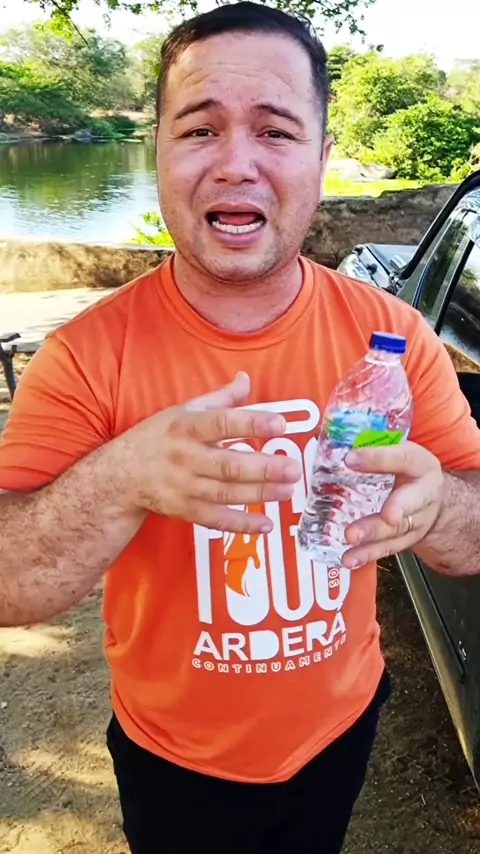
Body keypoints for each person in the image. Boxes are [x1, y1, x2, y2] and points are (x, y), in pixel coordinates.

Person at [1, 3, 480, 852]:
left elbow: (472, 535)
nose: (235, 164)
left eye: (276, 131)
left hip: (341, 727)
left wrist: (435, 502)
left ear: (321, 158)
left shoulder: (395, 339)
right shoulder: (86, 356)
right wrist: (122, 477)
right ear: (158, 150)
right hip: (172, 757)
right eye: (198, 129)